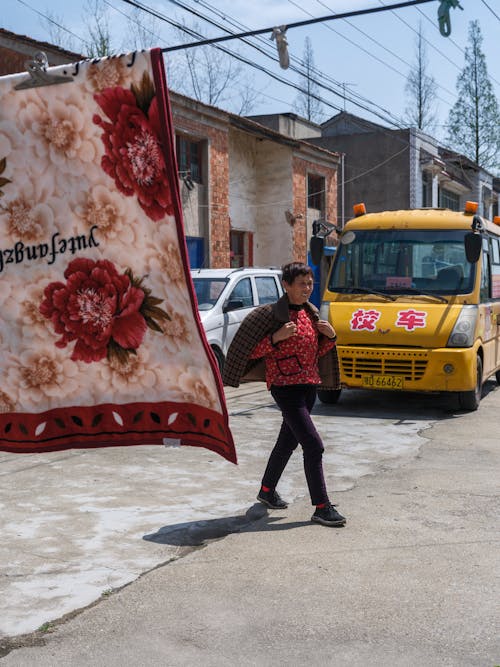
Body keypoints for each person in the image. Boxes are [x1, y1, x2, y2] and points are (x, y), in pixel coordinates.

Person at [223, 261, 346, 527]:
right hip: (285, 388)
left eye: (310, 283)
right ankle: (321, 506)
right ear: (286, 285)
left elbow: (316, 352)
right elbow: (249, 352)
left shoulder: (310, 314)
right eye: (301, 283)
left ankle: (267, 491)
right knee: (314, 445)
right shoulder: (270, 315)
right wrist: (275, 339)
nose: (307, 288)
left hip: (308, 387)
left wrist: (331, 337)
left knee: (287, 442)